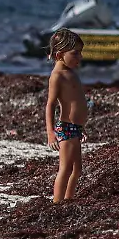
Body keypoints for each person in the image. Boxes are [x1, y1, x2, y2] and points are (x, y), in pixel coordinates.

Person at [44, 28, 88, 203]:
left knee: (78, 170)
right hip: (66, 128)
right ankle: (57, 202)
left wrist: (81, 128)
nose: (80, 58)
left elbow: (76, 102)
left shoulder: (71, 73)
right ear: (60, 54)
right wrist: (50, 132)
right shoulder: (57, 76)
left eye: (80, 53)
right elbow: (50, 105)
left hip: (75, 128)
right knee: (65, 168)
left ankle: (69, 200)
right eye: (75, 54)